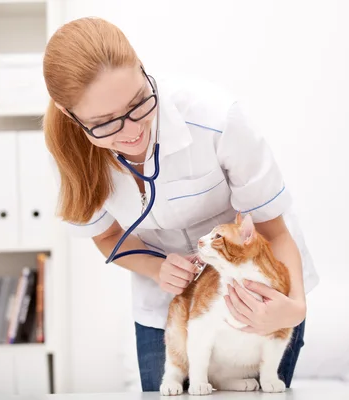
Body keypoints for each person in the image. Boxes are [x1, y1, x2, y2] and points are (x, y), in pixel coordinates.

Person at [42, 16, 319, 392]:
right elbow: (108, 237)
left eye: (138, 102)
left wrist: (295, 307)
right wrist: (156, 269)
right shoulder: (71, 161)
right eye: (105, 124)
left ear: (141, 68)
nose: (133, 130)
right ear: (70, 115)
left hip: (259, 298)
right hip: (168, 310)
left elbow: (274, 230)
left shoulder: (216, 119)